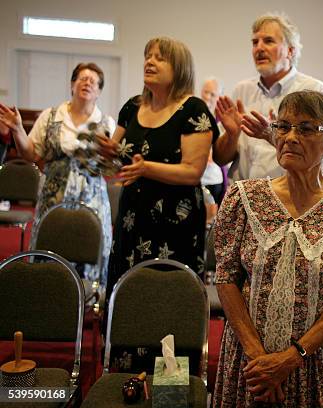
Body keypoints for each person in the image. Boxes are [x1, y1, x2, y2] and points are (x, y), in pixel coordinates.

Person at [213, 91, 323, 407]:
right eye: (283, 126)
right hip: (249, 362)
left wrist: (290, 358)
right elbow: (225, 278)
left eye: (305, 128)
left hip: (314, 363)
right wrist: (259, 358)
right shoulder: (243, 197)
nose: (290, 137)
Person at [101, 36, 219, 297]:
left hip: (175, 220)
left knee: (167, 295)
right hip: (132, 215)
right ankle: (122, 338)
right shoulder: (132, 107)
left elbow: (192, 172)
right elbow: (114, 157)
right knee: (127, 288)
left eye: (159, 57)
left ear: (180, 68)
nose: (150, 62)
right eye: (147, 56)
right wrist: (103, 153)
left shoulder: (193, 110)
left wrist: (146, 169)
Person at [0, 62, 115, 285]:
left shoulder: (106, 123)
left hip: (92, 204)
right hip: (53, 200)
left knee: (87, 254)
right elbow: (30, 154)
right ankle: (46, 300)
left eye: (93, 81)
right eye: (82, 78)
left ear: (99, 91)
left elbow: (111, 166)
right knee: (49, 253)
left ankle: (87, 306)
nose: (87, 83)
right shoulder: (50, 116)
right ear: (72, 85)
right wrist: (17, 130)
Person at [213, 12, 323, 181]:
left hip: (289, 199)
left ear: (290, 51)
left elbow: (318, 154)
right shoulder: (242, 90)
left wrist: (271, 134)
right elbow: (220, 159)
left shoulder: (313, 90)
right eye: (255, 42)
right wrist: (232, 135)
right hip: (243, 195)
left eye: (268, 41)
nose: (259, 48)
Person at [200, 77, 226, 204]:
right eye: (206, 92)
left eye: (212, 94)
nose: (208, 97)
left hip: (213, 179)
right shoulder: (194, 115)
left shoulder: (222, 122)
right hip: (195, 178)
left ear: (219, 97)